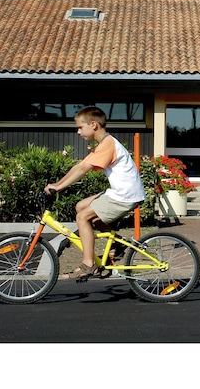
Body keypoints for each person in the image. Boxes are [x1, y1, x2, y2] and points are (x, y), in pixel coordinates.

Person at [44, 106, 145, 280]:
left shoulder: (108, 144)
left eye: (80, 127)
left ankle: (88, 265)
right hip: (120, 192)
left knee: (82, 217)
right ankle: (116, 243)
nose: (78, 132)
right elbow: (79, 166)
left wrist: (59, 187)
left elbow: (83, 168)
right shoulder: (105, 143)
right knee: (81, 206)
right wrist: (57, 184)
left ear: (93, 125)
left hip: (124, 195)